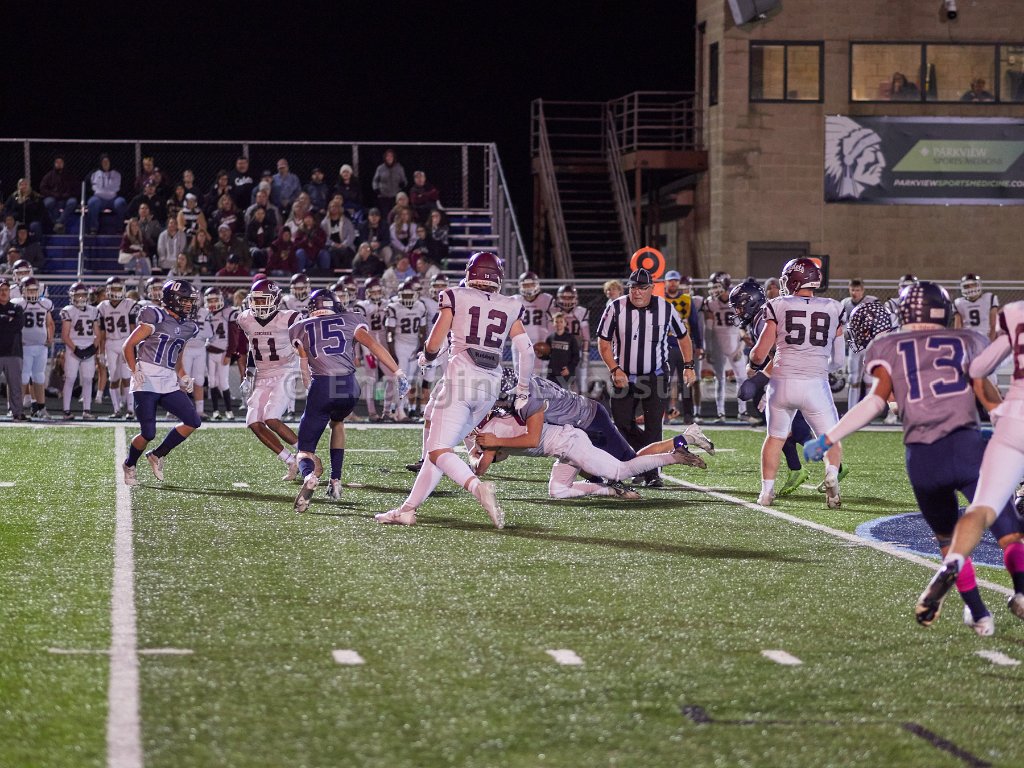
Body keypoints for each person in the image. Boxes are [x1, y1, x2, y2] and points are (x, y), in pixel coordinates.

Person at [806, 283, 1023, 636]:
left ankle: (979, 614)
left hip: (922, 458)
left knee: (948, 541)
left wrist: (829, 438)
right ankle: (1021, 591)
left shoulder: (889, 347)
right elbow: (987, 394)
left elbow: (875, 403)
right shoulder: (967, 339)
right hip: (966, 447)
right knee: (1008, 532)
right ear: (944, 311)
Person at [376, 252, 534, 528]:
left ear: (470, 273)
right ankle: (407, 510)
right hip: (489, 387)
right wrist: (521, 390)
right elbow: (527, 352)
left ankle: (478, 489)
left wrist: (427, 357)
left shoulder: (455, 295)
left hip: (460, 383)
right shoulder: (510, 304)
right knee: (440, 451)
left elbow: (435, 342)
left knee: (438, 450)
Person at [914, 298, 1024, 628]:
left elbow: (977, 369)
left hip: (1009, 419)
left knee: (982, 510)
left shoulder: (1015, 313)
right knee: (1009, 524)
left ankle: (959, 573)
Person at [290, 289, 408, 510]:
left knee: (304, 451)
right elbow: (374, 346)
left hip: (322, 384)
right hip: (349, 386)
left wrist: (310, 388)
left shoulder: (300, 327)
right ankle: (336, 480)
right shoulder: (350, 319)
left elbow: (304, 366)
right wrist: (398, 371)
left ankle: (309, 476)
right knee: (338, 423)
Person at [748, 258, 845, 508]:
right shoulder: (833, 307)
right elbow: (839, 359)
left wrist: (753, 364)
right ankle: (831, 476)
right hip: (816, 384)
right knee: (830, 438)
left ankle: (766, 493)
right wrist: (819, 366)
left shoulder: (778, 305)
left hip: (782, 382)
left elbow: (759, 354)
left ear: (793, 280)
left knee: (775, 438)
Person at [597, 267, 697, 488]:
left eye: (642, 287)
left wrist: (688, 366)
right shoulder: (616, 307)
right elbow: (603, 342)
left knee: (653, 425)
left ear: (652, 288)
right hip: (624, 375)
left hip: (656, 375)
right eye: (633, 287)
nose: (637, 292)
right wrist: (614, 369)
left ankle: (652, 473)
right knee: (622, 423)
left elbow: (683, 337)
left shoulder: (665, 308)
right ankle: (650, 456)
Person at [120, 280, 203, 486]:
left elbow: (178, 353)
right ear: (172, 299)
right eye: (184, 300)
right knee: (148, 433)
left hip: (168, 380)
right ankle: (130, 464)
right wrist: (134, 370)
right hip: (146, 378)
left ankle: (157, 454)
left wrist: (183, 374)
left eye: (190, 301)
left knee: (193, 421)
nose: (189, 305)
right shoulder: (155, 316)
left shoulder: (189, 327)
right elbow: (128, 346)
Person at [234, 278, 304, 479]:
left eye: (263, 300)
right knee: (253, 422)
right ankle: (290, 460)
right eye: (256, 300)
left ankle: (306, 454)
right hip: (262, 374)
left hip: (285, 371)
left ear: (275, 300)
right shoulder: (245, 319)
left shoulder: (289, 318)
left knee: (271, 418)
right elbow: (252, 348)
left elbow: (304, 347)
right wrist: (249, 374)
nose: (259, 304)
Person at [702, 271, 746, 423]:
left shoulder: (737, 301)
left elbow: (744, 326)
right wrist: (709, 349)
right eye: (713, 286)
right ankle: (720, 413)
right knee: (719, 379)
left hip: (735, 344)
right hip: (719, 345)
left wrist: (741, 347)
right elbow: (708, 329)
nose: (713, 289)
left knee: (742, 378)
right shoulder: (710, 303)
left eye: (717, 286)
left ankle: (743, 411)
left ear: (725, 285)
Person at [383, 277, 428, 422]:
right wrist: (392, 352)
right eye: (405, 295)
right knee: (402, 380)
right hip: (400, 345)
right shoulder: (393, 307)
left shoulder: (420, 306)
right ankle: (400, 411)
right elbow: (389, 332)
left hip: (414, 346)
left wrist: (421, 346)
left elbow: (423, 329)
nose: (408, 297)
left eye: (410, 294)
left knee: (411, 379)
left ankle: (402, 409)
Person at [662, 271, 705, 423]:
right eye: (670, 280)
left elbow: (694, 323)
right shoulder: (660, 299)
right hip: (665, 346)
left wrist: (698, 345)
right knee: (664, 383)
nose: (673, 283)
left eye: (675, 280)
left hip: (684, 346)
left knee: (686, 382)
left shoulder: (687, 299)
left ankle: (688, 414)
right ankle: (664, 414)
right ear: (665, 282)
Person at [96, 276, 140, 420]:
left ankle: (130, 410)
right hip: (110, 343)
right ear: (108, 290)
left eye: (118, 288)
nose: (115, 292)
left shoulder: (129, 304)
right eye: (113, 289)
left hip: (126, 342)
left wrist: (134, 346)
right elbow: (102, 332)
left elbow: (133, 328)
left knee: (127, 377)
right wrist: (100, 351)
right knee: (113, 377)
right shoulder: (102, 307)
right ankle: (116, 409)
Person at [13, 276, 53, 419]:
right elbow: (13, 325)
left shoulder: (45, 303)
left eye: (34, 290)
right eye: (29, 291)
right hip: (25, 346)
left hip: (41, 346)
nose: (32, 293)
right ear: (22, 291)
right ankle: (17, 408)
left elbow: (49, 323)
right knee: (23, 377)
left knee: (39, 376)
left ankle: (41, 408)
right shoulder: (18, 304)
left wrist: (50, 337)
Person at [59, 282, 101, 420]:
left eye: (83, 295)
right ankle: (66, 411)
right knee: (70, 378)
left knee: (88, 379)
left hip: (88, 347)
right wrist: (76, 349)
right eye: (78, 295)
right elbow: (64, 335)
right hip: (73, 348)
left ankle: (87, 411)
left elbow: (98, 334)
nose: (81, 298)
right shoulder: (68, 310)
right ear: (72, 296)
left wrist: (93, 348)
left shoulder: (93, 310)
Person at [840, 278, 879, 410]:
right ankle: (851, 410)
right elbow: (842, 324)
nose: (854, 293)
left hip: (870, 345)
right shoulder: (845, 303)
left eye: (857, 290)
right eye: (852, 290)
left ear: (862, 290)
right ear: (849, 289)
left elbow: (880, 321)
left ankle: (868, 411)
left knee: (868, 379)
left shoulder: (872, 301)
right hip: (855, 345)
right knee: (853, 379)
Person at [0, 278, 26, 420]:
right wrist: (8, 320)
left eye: (5, 289)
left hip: (13, 352)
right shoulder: (14, 311)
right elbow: (11, 325)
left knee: (15, 386)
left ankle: (17, 413)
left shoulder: (17, 308)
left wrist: (3, 321)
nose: (3, 292)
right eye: (1, 290)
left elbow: (18, 325)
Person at [85, 154, 128, 235]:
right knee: (92, 202)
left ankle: (120, 228)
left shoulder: (117, 173)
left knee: (121, 202)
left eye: (107, 161)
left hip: (114, 198)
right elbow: (87, 185)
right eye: (103, 162)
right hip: (99, 198)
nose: (105, 163)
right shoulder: (94, 173)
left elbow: (123, 187)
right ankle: (93, 228)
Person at [39, 156, 79, 234]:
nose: (59, 164)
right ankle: (58, 224)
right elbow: (43, 188)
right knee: (48, 202)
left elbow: (76, 188)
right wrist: (53, 194)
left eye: (61, 162)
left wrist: (68, 194)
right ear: (54, 164)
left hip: (66, 198)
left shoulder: (70, 175)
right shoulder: (49, 175)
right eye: (57, 162)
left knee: (73, 202)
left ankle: (58, 222)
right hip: (53, 197)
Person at [953, 273, 998, 340]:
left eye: (973, 285)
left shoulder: (989, 298)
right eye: (967, 286)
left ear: (978, 285)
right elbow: (958, 329)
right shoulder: (959, 303)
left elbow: (993, 325)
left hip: (984, 337)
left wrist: (991, 341)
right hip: (969, 338)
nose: (970, 288)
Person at [545, 311, 579, 390]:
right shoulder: (550, 338)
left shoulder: (571, 338)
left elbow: (576, 356)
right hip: (552, 372)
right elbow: (547, 356)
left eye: (561, 321)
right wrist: (541, 354)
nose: (559, 324)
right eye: (556, 322)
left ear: (565, 323)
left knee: (565, 394)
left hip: (565, 373)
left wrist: (569, 368)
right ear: (553, 323)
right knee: (550, 393)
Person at [321, 197, 356, 269]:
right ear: (329, 209)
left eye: (336, 207)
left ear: (339, 208)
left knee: (346, 252)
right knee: (332, 252)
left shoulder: (347, 221)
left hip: (345, 246)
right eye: (332, 207)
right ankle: (336, 273)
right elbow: (323, 236)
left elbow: (351, 235)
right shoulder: (324, 223)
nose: (334, 208)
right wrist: (333, 244)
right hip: (331, 246)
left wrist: (344, 244)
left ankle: (345, 272)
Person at [372, 148, 407, 214]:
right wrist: (376, 189)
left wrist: (403, 184)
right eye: (387, 156)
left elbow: (404, 180)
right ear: (385, 158)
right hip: (383, 197)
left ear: (394, 157)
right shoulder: (380, 168)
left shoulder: (399, 168)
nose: (389, 158)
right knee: (385, 214)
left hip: (395, 197)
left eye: (391, 156)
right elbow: (375, 180)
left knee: (396, 214)